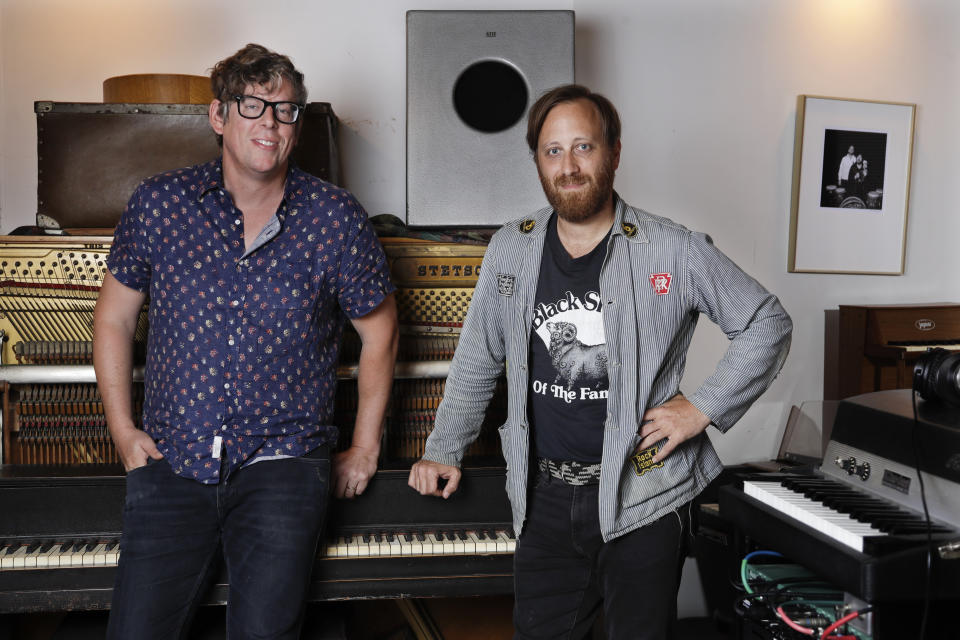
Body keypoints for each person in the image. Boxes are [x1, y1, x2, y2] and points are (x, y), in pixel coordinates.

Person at [408, 84, 791, 639]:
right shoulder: (510, 250)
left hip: (645, 497)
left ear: (613, 152)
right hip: (542, 499)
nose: (569, 166)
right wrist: (444, 447)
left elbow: (767, 322)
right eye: (553, 150)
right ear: (538, 160)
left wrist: (702, 407)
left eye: (583, 147)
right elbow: (478, 359)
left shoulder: (673, 251)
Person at [93, 43, 398, 640]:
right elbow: (113, 320)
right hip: (171, 460)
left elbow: (380, 329)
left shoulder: (336, 218)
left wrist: (364, 446)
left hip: (283, 465)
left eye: (285, 111)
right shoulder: (160, 204)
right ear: (218, 116)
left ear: (297, 124)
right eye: (252, 105)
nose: (270, 123)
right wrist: (123, 431)